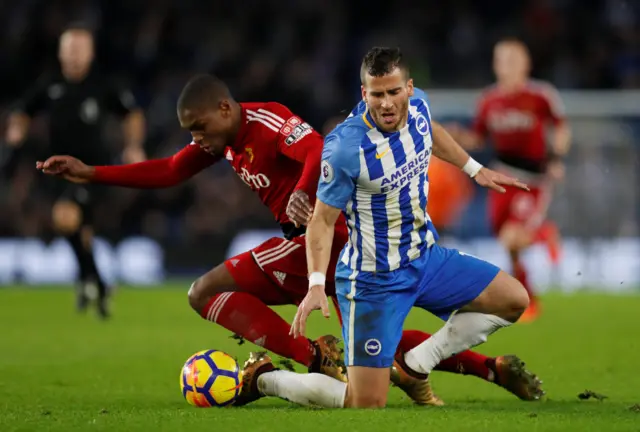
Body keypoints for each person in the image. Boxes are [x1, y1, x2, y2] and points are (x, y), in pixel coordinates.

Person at [37, 74, 542, 406]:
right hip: (315, 245)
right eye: (190, 132)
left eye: (199, 127)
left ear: (224, 107)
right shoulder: (225, 142)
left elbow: (315, 148)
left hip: (330, 240)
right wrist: (92, 174)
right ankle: (488, 368)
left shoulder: (264, 119)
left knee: (206, 292)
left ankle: (306, 358)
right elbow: (169, 171)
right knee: (363, 351)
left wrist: (303, 193)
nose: (196, 138)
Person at [236, 47, 532, 409]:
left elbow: (430, 132)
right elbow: (322, 221)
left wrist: (474, 169)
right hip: (374, 280)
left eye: (394, 92)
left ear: (409, 88)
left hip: (426, 258)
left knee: (513, 299)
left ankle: (414, 365)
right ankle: (266, 379)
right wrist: (315, 285)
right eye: (377, 94)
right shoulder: (346, 148)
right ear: (364, 94)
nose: (387, 103)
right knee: (364, 402)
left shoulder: (419, 107)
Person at [4, 22, 146, 318]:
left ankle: (92, 281)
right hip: (56, 170)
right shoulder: (50, 84)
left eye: (79, 49)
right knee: (80, 232)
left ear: (90, 53)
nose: (74, 54)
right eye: (69, 48)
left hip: (92, 170)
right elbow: (23, 110)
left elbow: (131, 114)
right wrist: (17, 129)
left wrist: (133, 145)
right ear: (60, 52)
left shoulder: (103, 84)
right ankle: (97, 283)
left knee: (65, 216)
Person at [447, 38, 571, 321]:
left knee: (514, 239)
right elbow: (478, 139)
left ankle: (544, 234)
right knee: (507, 242)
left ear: (526, 64)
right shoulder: (489, 100)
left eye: (513, 60)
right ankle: (530, 299)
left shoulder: (541, 96)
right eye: (502, 60)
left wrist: (555, 159)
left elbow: (561, 130)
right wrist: (457, 136)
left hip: (531, 180)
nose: (507, 66)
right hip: (500, 178)